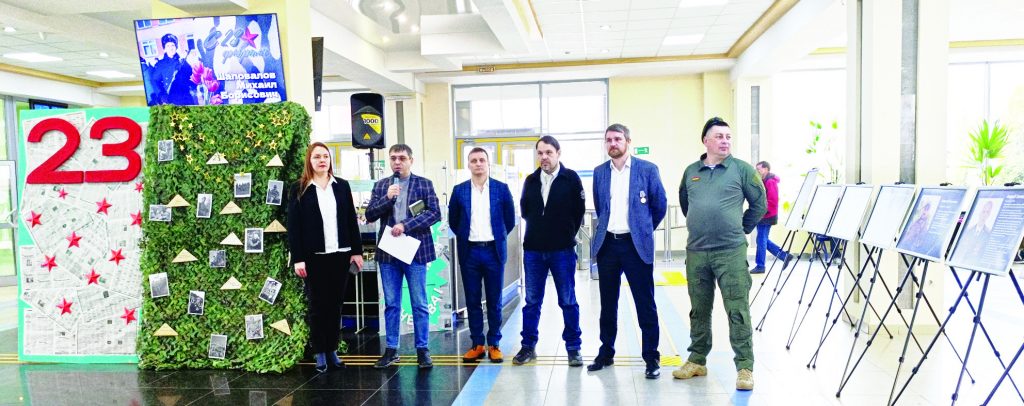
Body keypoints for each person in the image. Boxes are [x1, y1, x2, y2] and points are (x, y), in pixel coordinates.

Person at [674, 117, 766, 391]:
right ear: (706, 141)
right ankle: (697, 360)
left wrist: (741, 229)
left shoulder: (742, 169)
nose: (725, 141)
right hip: (697, 252)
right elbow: (686, 203)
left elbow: (759, 204)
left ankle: (745, 367)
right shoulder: (691, 171)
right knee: (699, 309)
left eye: (728, 136)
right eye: (719, 136)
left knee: (737, 309)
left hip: (731, 252)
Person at [587, 124, 667, 379]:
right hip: (608, 245)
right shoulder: (600, 172)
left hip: (636, 246)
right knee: (608, 304)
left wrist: (643, 230)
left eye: (617, 139)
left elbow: (660, 205)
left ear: (628, 142)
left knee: (645, 303)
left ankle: (651, 357)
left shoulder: (647, 169)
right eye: (609, 140)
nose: (613, 143)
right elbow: (601, 207)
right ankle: (606, 352)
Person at [287, 142, 364, 373]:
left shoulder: (341, 186)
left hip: (340, 255)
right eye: (317, 157)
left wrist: (357, 251)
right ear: (309, 161)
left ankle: (332, 350)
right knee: (317, 306)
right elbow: (294, 226)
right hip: (314, 257)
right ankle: (319, 352)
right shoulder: (299, 188)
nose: (322, 160)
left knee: (335, 305)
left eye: (325, 156)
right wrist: (298, 258)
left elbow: (351, 220)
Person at [365, 144, 441, 369]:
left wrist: (406, 225)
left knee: (419, 302)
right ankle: (391, 349)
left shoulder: (424, 184)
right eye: (393, 158)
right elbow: (370, 214)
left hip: (415, 251)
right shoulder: (382, 186)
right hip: (389, 253)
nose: (397, 162)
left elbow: (434, 213)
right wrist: (387, 198)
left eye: (402, 158)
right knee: (391, 303)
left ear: (411, 160)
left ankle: (422, 349)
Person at [512, 136, 586, 367]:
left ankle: (573, 347)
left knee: (568, 300)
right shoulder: (531, 180)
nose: (544, 157)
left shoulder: (571, 178)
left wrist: (564, 233)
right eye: (540, 153)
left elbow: (579, 211)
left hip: (562, 250)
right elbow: (525, 210)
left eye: (548, 153)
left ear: (558, 153)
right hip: (534, 251)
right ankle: (528, 346)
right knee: (532, 301)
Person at [448, 147, 516, 363]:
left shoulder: (501, 189)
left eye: (482, 160)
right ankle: (477, 344)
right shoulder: (459, 191)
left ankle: (494, 343)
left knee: (495, 301)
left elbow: (509, 220)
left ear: (488, 164)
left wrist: (497, 236)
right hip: (469, 252)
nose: (478, 164)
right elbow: (453, 220)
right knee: (473, 300)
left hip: (493, 251)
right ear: (468, 165)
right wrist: (465, 236)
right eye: (474, 160)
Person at [751, 161, 791, 273]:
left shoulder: (770, 182)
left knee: (761, 240)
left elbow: (772, 201)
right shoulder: (763, 181)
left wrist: (762, 212)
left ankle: (760, 266)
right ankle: (784, 256)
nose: (757, 171)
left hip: (766, 216)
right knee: (762, 239)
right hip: (763, 214)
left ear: (766, 169)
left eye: (759, 169)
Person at [149, 33, 181, 104]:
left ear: (176, 47)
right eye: (168, 46)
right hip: (170, 99)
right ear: (164, 49)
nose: (171, 48)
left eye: (173, 45)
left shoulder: (182, 62)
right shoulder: (161, 64)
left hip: (184, 97)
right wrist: (161, 94)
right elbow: (154, 80)